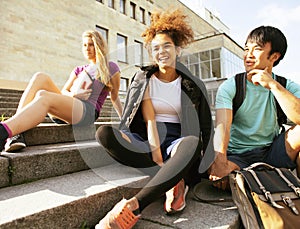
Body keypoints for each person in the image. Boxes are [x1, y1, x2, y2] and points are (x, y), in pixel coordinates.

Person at [94, 9, 213, 229]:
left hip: (179, 141)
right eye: (156, 48)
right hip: (148, 139)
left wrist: (211, 161)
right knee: (104, 133)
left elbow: (206, 126)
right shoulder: (143, 77)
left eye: (166, 46)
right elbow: (136, 116)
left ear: (177, 49)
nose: (161, 52)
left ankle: (133, 206)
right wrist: (148, 147)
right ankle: (173, 177)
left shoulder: (193, 84)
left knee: (191, 143)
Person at [0, 30, 123, 152]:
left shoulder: (110, 67)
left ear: (99, 46)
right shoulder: (79, 69)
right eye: (84, 45)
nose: (87, 48)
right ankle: (15, 134)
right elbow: (64, 90)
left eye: (91, 44)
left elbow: (114, 96)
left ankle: (4, 131)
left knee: (43, 95)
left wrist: (125, 120)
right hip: (67, 108)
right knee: (40, 77)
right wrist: (73, 94)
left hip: (88, 111)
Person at [210, 25, 300, 189]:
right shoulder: (231, 86)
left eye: (256, 49)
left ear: (274, 56)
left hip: (272, 151)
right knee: (222, 181)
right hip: (238, 155)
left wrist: (273, 85)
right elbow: (222, 127)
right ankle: (259, 177)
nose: (248, 55)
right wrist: (220, 162)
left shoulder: (285, 85)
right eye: (246, 49)